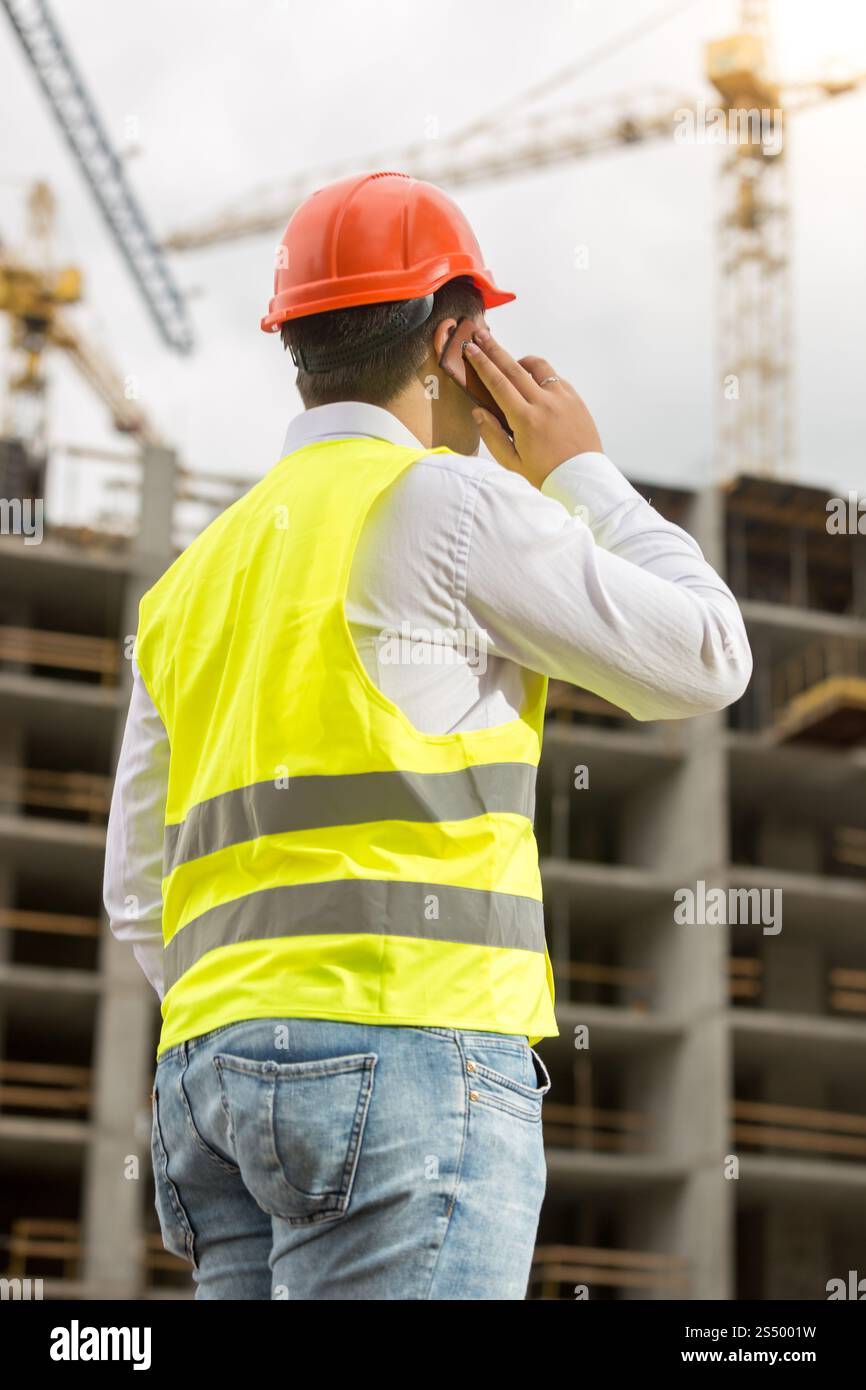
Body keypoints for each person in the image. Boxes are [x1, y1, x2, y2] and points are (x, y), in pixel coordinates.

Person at [104, 171, 752, 1301]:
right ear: (454, 342)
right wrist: (577, 470)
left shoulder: (188, 578)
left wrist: (265, 1010)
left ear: (295, 344)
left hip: (207, 1084)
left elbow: (132, 892)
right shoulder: (451, 506)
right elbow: (706, 657)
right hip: (408, 1055)